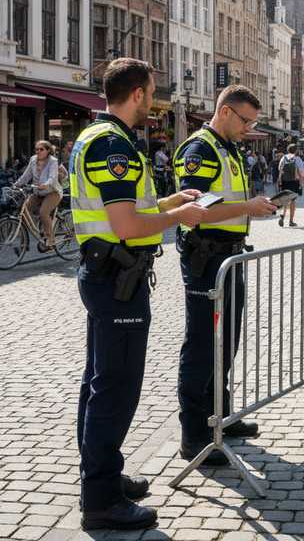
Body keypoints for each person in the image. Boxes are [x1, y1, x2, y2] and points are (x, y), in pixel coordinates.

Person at [72, 58, 210, 531]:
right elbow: (127, 225)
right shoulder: (115, 145)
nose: (153, 100)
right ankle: (101, 497)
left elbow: (130, 208)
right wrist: (178, 219)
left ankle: (100, 475)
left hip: (107, 273)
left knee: (99, 381)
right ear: (136, 95)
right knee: (116, 387)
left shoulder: (94, 135)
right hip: (117, 279)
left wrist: (172, 202)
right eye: (151, 92)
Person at [172, 85, 277, 467]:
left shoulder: (229, 147)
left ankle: (220, 417)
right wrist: (247, 205)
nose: (250, 128)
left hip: (229, 257)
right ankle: (195, 435)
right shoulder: (200, 150)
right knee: (201, 345)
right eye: (246, 120)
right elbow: (194, 210)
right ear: (227, 112)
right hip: (205, 258)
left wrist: (252, 209)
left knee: (225, 341)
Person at [15, 139, 62, 248]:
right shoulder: (33, 159)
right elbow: (26, 175)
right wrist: (16, 184)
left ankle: (51, 241)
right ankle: (25, 242)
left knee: (43, 212)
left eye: (41, 149)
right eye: (36, 149)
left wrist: (46, 184)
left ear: (48, 150)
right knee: (24, 210)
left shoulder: (53, 161)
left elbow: (53, 176)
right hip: (38, 192)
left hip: (52, 192)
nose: (38, 151)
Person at [278, 143, 304, 226]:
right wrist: (301, 183)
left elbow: (280, 169)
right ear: (296, 150)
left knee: (285, 199)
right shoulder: (297, 159)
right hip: (294, 182)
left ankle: (282, 215)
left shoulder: (284, 158)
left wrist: (280, 181)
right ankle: (291, 221)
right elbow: (301, 172)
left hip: (285, 181)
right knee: (292, 201)